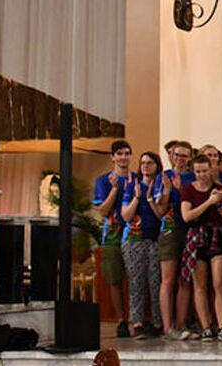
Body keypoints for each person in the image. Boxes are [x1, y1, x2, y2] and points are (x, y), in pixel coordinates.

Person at [180, 154, 222, 341]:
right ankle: (206, 326)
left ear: (211, 170)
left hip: (217, 235)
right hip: (197, 236)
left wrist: (219, 204)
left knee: (219, 282)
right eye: (198, 171)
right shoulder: (188, 191)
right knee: (199, 285)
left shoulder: (220, 189)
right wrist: (208, 202)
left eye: (204, 171)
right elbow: (187, 216)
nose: (201, 175)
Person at [120, 151, 164, 339]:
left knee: (156, 282)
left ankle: (157, 321)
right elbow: (125, 216)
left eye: (150, 163)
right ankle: (137, 322)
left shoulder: (162, 185)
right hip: (134, 239)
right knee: (136, 282)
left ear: (157, 165)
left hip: (155, 238)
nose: (146, 166)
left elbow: (162, 212)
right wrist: (137, 198)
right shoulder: (132, 186)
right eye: (143, 162)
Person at [94, 140, 134, 338]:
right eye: (119, 153)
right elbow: (102, 210)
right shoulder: (103, 181)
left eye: (127, 153)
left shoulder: (136, 179)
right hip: (112, 236)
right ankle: (121, 320)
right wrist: (115, 189)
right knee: (115, 279)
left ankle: (138, 319)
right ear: (113, 157)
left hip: (136, 234)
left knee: (136, 278)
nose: (123, 157)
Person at [157, 141, 194, 339]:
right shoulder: (164, 177)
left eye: (184, 155)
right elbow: (161, 210)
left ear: (190, 157)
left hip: (190, 231)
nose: (180, 159)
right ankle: (167, 326)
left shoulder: (194, 176)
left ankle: (181, 324)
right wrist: (167, 191)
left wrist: (181, 192)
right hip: (170, 230)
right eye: (177, 155)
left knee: (185, 279)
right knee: (168, 279)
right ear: (172, 156)